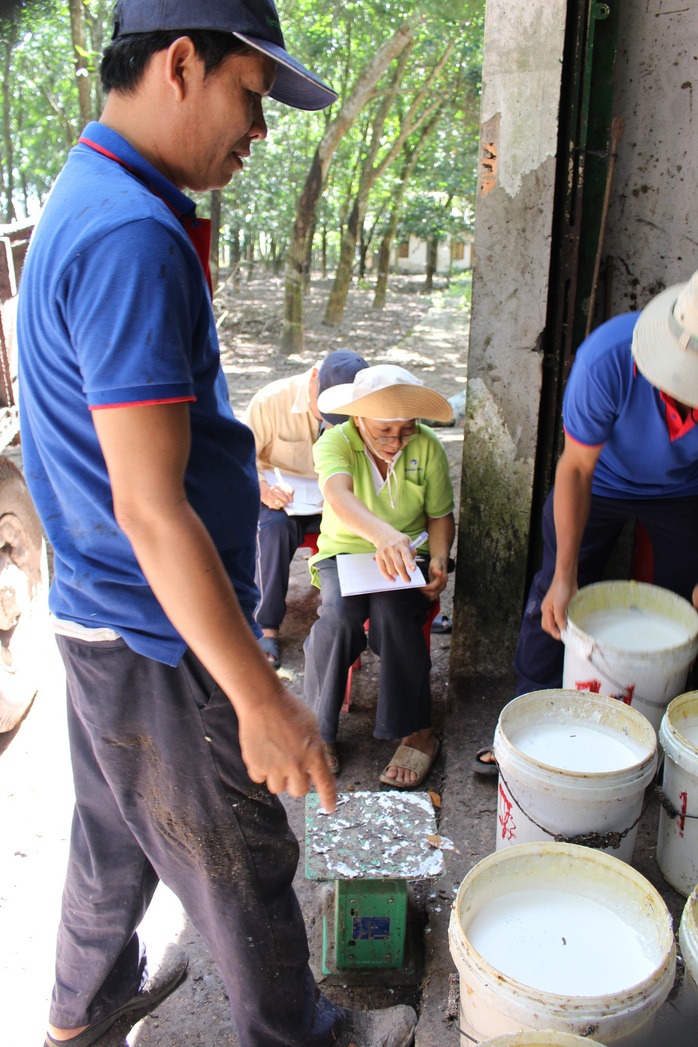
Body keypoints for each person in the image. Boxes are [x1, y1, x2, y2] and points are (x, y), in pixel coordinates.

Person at [16, 2, 417, 1045]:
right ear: (180, 63)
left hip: (97, 616)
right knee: (239, 860)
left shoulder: (92, 188)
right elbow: (152, 508)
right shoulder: (129, 238)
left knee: (115, 836)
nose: (261, 129)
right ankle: (300, 1036)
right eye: (252, 94)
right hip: (157, 632)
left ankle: (82, 1007)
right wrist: (258, 694)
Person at [475, 271, 698, 775]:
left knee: (687, 611)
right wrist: (564, 574)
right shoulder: (611, 356)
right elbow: (576, 468)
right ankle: (523, 729)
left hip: (687, 491)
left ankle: (665, 742)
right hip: (602, 482)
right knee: (554, 602)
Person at [303, 364, 455, 786]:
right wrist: (382, 534)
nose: (396, 441)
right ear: (358, 419)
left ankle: (418, 732)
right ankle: (318, 730)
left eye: (406, 430)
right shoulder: (335, 442)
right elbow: (338, 495)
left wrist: (439, 557)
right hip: (345, 553)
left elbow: (441, 516)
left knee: (394, 612)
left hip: (409, 554)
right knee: (337, 616)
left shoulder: (427, 447)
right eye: (384, 430)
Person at [243, 350, 368, 668]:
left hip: (336, 497)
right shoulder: (271, 400)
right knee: (272, 530)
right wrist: (265, 491)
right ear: (314, 378)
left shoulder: (366, 405)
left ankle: (363, 616)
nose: (330, 421)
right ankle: (266, 626)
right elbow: (241, 459)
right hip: (282, 497)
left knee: (361, 529)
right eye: (327, 410)